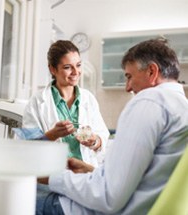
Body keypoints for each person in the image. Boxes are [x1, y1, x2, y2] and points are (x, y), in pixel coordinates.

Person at [35, 38, 188, 215]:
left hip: (89, 206)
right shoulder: (181, 107)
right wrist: (92, 171)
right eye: (68, 67)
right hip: (108, 192)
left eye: (129, 76)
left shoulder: (149, 101)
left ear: (152, 71)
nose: (127, 87)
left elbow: (107, 196)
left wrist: (53, 177)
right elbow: (149, 178)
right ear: (53, 70)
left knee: (17, 198)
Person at [23, 40, 110, 168]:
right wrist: (52, 135)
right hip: (53, 176)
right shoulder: (37, 102)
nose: (76, 72)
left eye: (79, 65)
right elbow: (27, 148)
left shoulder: (88, 99)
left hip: (85, 174)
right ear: (53, 69)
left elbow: (102, 135)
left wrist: (94, 141)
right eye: (67, 67)